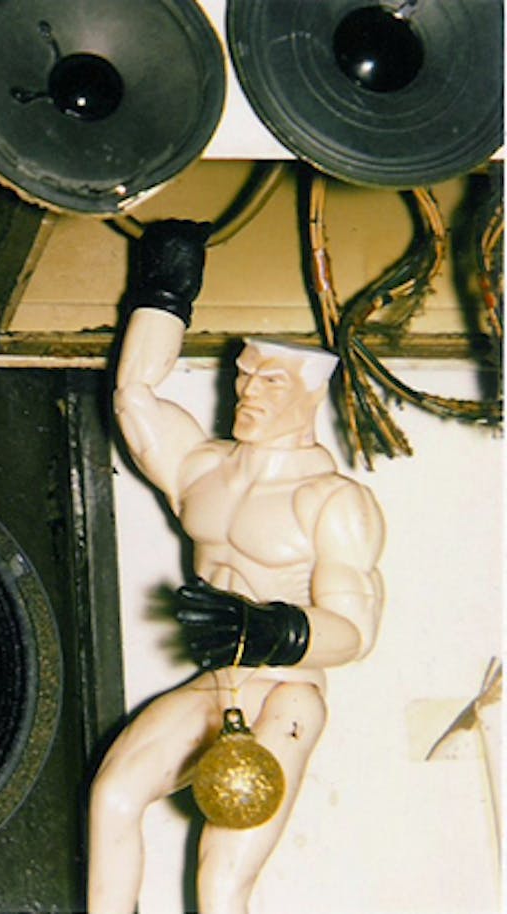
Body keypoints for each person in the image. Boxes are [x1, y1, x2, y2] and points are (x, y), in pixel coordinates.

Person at [87, 221, 386, 914]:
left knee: (222, 881)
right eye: (245, 376)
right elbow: (135, 398)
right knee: (114, 795)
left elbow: (355, 632)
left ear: (311, 394)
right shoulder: (204, 471)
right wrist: (166, 292)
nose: (250, 392)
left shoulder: (331, 500)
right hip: (215, 687)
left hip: (285, 693)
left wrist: (271, 628)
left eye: (272, 381)